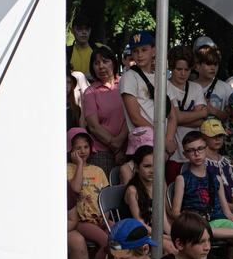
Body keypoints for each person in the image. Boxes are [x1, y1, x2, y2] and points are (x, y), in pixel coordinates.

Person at [171, 131, 233, 259]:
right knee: (206, 229)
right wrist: (191, 220)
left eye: (200, 149)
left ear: (206, 149)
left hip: (219, 220)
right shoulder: (182, 179)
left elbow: (227, 212)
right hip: (199, 224)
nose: (197, 154)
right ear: (185, 154)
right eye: (191, 151)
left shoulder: (216, 178)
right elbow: (175, 212)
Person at [119, 29, 179, 160]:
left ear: (154, 51)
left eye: (144, 50)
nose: (139, 55)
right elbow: (135, 117)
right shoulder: (129, 77)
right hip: (143, 144)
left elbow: (173, 116)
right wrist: (162, 140)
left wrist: (168, 140)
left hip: (163, 145)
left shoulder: (162, 78)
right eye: (135, 51)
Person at [81, 46, 127, 176]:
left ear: (113, 62)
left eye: (105, 61)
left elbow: (131, 115)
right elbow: (94, 127)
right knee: (103, 192)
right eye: (96, 63)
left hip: (128, 147)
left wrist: (120, 142)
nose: (101, 66)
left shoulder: (125, 83)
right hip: (102, 151)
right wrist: (116, 147)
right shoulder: (90, 92)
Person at [67, 129, 109, 259]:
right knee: (106, 242)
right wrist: (79, 165)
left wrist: (105, 218)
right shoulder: (67, 168)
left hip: (100, 217)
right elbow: (75, 189)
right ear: (70, 150)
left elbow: (105, 198)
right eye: (78, 148)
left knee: (120, 235)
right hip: (82, 220)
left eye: (85, 147)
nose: (83, 151)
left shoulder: (98, 171)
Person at [166, 46, 210, 175]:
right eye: (179, 69)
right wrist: (202, 113)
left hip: (194, 153)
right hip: (173, 153)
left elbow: (200, 122)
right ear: (171, 68)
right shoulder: (165, 86)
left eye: (187, 69)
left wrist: (176, 119)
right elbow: (179, 117)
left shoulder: (196, 88)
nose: (183, 73)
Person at [123, 145, 173, 248]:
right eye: (147, 166)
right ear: (136, 167)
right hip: (137, 234)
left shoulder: (158, 186)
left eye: (155, 165)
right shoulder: (132, 190)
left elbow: (163, 219)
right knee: (170, 247)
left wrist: (172, 235)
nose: (152, 170)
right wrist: (164, 237)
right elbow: (139, 223)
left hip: (154, 233)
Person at [194, 45, 231, 122]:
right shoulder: (189, 87)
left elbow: (232, 118)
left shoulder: (225, 88)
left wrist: (213, 110)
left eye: (215, 64)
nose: (213, 68)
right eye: (208, 64)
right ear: (197, 66)